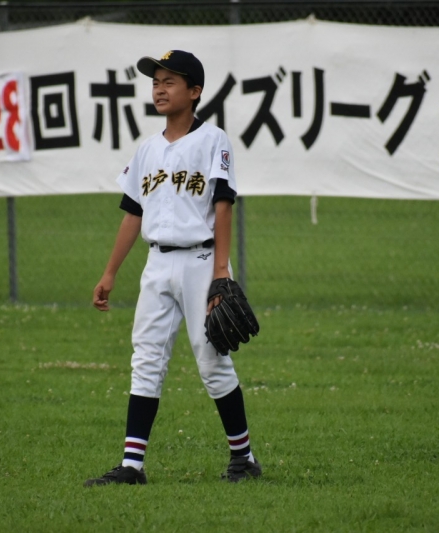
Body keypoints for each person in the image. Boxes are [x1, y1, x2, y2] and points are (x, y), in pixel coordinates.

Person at [86, 50, 261, 486]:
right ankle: (132, 466)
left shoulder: (213, 140)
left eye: (170, 82)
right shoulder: (147, 149)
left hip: (201, 261)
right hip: (157, 263)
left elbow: (224, 205)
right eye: (155, 82)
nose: (160, 89)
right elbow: (133, 213)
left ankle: (243, 458)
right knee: (146, 359)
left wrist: (221, 272)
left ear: (194, 91)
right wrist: (110, 272)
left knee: (212, 362)